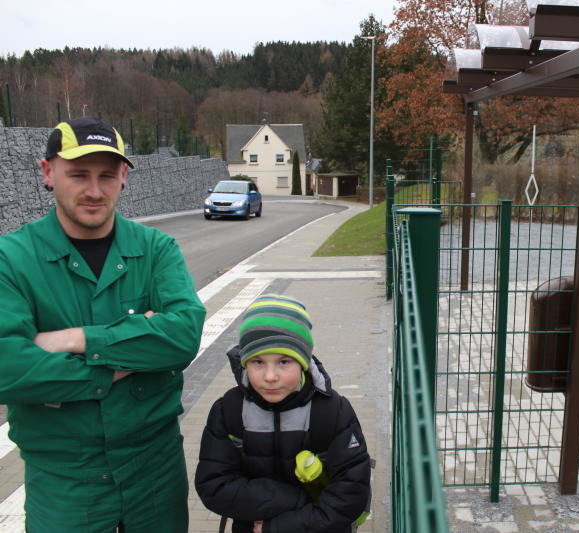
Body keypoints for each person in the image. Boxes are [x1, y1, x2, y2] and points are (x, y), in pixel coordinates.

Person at [0, 116, 206, 532]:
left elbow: (183, 335)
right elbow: (7, 368)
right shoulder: (12, 258)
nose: (94, 191)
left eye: (107, 176)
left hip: (155, 474)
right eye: (78, 175)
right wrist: (123, 362)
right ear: (47, 172)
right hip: (64, 481)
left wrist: (78, 339)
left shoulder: (156, 250)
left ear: (124, 177)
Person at [195, 294, 371, 533]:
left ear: (304, 362)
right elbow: (213, 484)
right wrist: (294, 500)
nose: (270, 376)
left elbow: (351, 492)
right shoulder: (229, 410)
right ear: (245, 362)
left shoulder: (332, 411)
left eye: (284, 362)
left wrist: (279, 526)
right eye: (258, 362)